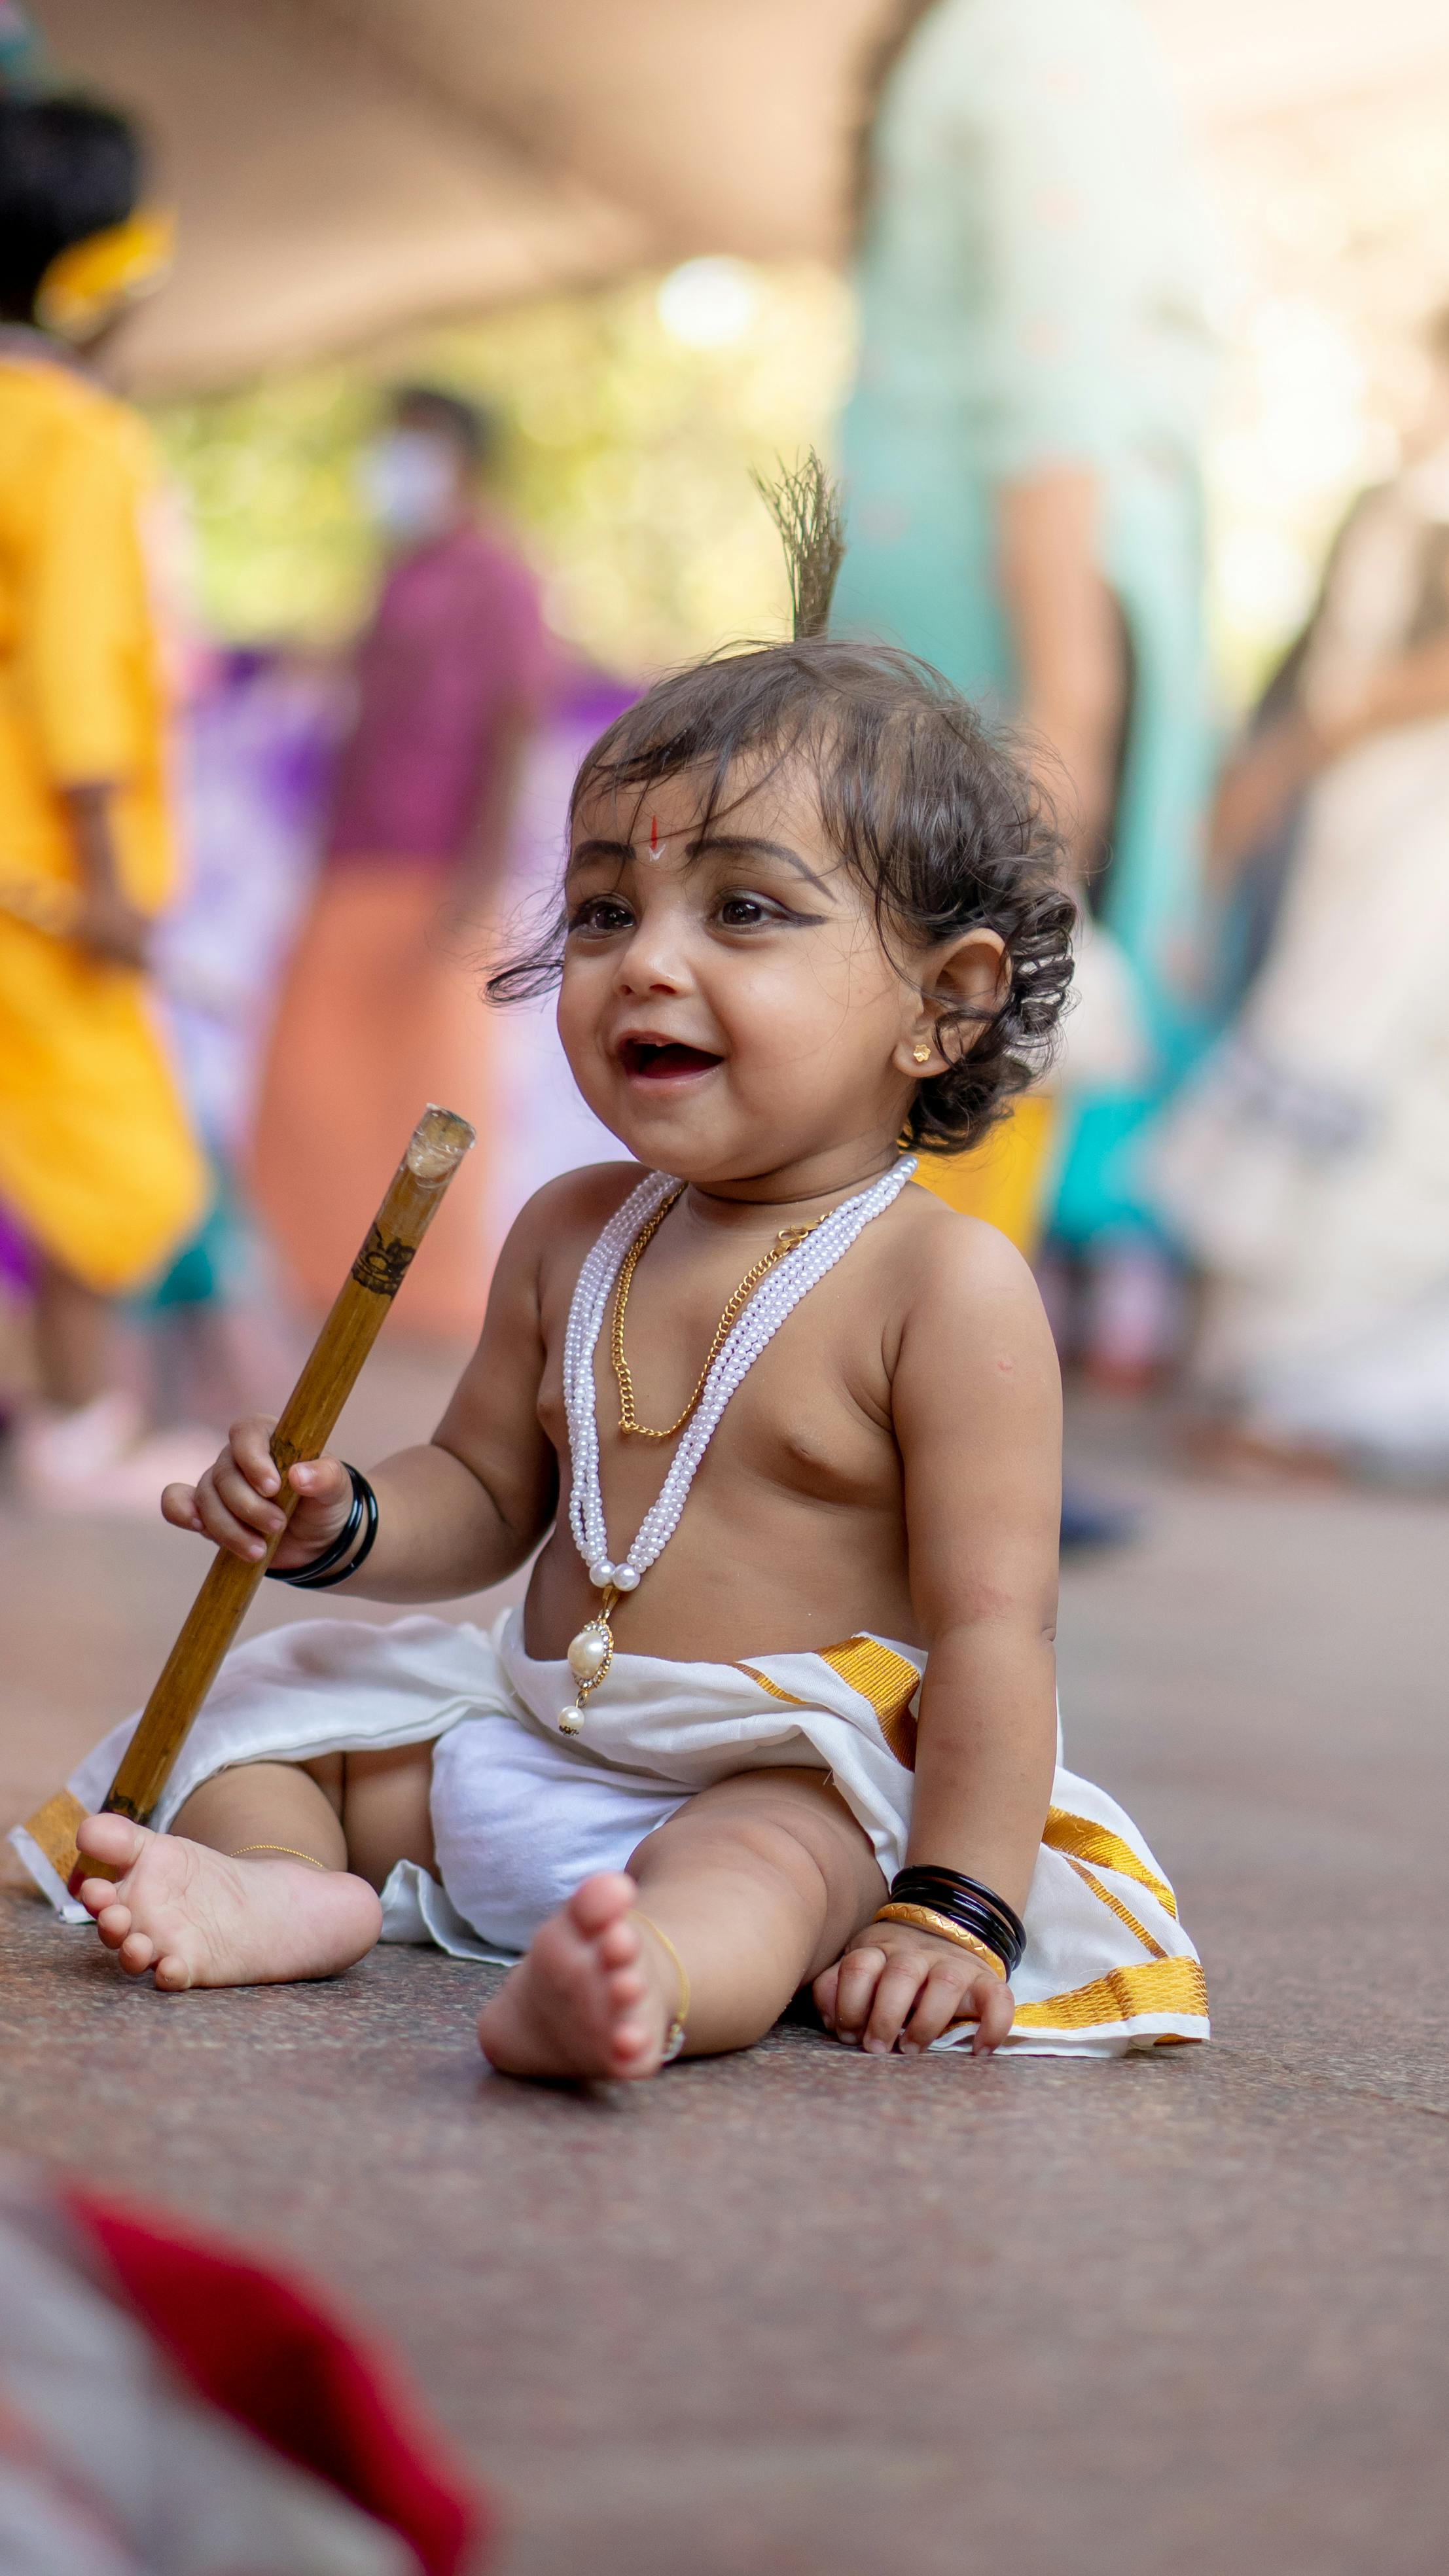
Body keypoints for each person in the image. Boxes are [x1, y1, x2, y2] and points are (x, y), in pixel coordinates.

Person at [48, 567, 1206, 2077]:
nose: (645, 959)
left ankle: (641, 1983)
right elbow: (483, 1492)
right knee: (274, 1733)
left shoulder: (943, 1285)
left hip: (761, 1772)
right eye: (605, 907)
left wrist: (952, 1905)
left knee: (771, 1877)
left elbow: (998, 1631)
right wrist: (340, 1520)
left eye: (742, 909)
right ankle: (287, 1892)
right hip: (530, 1730)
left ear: (948, 1003)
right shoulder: (571, 1229)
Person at [834, 0, 1217, 1382]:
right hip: (1030, 609)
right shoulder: (1049, 35)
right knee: (994, 1039)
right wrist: (1073, 702)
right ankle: (914, 1449)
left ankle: (919, 1441)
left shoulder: (985, 40)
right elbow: (1055, 396)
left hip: (969, 606)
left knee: (945, 1036)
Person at [1151, 310, 1449, 1475]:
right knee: (1337, 1080)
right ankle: (1279, 1387)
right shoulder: (1399, 504)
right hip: (1368, 831)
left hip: (1413, 844)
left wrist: (1338, 722)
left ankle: (1321, 1402)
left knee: (1383, 1095)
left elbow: (1351, 693)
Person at [0, 93, 211, 1505]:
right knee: (100, 1151)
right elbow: (79, 670)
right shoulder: (72, 434)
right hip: (44, 881)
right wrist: (111, 883)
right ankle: (78, 1422)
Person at [247, 385, 550, 1343]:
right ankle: (318, 1278)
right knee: (305, 1083)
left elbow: (514, 728)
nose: (392, 465)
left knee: (432, 1091)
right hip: (351, 866)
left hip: (434, 873)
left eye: (410, 445)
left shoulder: (500, 576)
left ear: (460, 456)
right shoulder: (396, 574)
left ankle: (435, 1298)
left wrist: (476, 882)